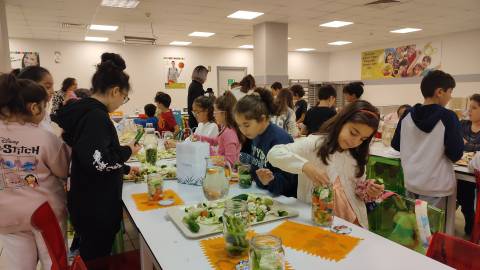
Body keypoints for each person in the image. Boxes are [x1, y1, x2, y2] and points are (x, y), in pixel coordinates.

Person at [55, 53, 141, 261]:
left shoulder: (87, 112)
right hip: (96, 207)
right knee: (95, 256)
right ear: (115, 91)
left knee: (92, 251)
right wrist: (128, 151)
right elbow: (100, 162)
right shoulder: (96, 116)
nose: (122, 103)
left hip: (88, 200)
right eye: (124, 98)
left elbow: (92, 154)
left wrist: (125, 168)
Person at [267, 100, 384, 228]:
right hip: (319, 218)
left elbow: (356, 187)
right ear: (341, 122)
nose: (355, 142)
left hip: (352, 222)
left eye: (363, 139)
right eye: (353, 133)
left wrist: (368, 190)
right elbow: (274, 153)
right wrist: (306, 167)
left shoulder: (357, 154)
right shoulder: (316, 143)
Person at [0, 73, 70, 270]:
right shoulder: (44, 137)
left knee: (19, 266)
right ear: (34, 107)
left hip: (6, 215)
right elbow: (64, 169)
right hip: (43, 214)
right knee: (53, 263)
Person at [391, 70, 463, 233]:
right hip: (436, 186)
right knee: (435, 233)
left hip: (411, 183)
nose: (450, 96)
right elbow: (456, 154)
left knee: (415, 231)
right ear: (439, 92)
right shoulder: (448, 117)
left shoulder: (407, 115)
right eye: (450, 92)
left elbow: (396, 144)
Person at [234, 88, 297, 197]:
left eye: (246, 125)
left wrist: (270, 180)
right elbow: (257, 166)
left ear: (262, 119)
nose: (242, 130)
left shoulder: (280, 140)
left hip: (283, 200)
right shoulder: (255, 133)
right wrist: (246, 167)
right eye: (239, 125)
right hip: (263, 193)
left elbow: (288, 183)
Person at [193, 91, 242, 165]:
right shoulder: (224, 128)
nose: (213, 115)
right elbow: (215, 141)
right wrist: (200, 138)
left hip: (229, 173)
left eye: (215, 111)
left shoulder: (229, 133)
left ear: (224, 113)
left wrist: (207, 149)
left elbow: (230, 162)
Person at [457, 94, 480, 235]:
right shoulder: (462, 125)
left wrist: (467, 145)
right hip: (460, 169)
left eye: (474, 108)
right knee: (463, 196)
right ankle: (469, 219)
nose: (470, 111)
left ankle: (473, 222)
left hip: (475, 173)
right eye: (469, 107)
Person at [17, 66, 55, 132]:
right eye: (48, 87)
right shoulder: (19, 119)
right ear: (29, 86)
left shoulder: (43, 112)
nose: (53, 91)